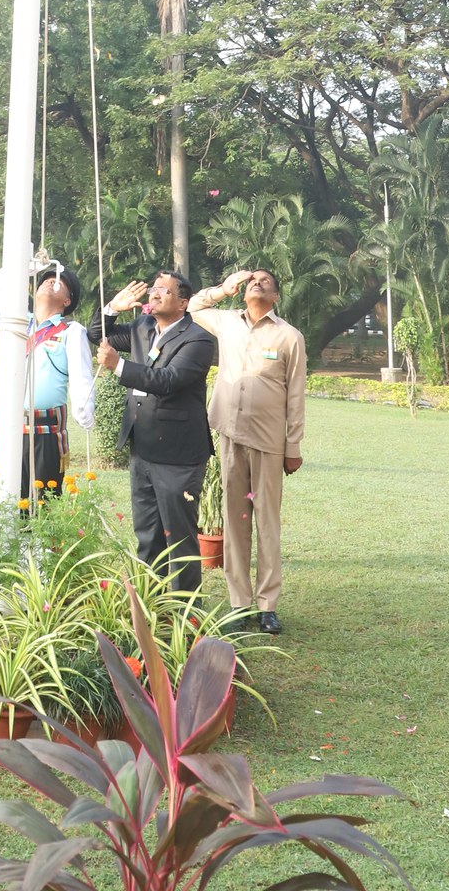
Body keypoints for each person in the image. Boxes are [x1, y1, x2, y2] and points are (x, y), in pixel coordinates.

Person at [188, 266, 306, 634]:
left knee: (267, 522)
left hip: (269, 441)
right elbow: (193, 306)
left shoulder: (289, 337)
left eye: (265, 281)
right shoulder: (227, 322)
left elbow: (296, 394)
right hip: (230, 435)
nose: (257, 282)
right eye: (253, 280)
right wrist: (223, 289)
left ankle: (267, 605)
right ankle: (239, 603)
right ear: (243, 291)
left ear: (276, 296)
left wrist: (293, 445)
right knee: (235, 520)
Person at [92, 270, 216, 596]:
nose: (155, 293)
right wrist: (112, 309)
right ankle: (151, 602)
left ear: (183, 302)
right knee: (147, 534)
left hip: (178, 455)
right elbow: (97, 334)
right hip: (143, 449)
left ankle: (185, 609)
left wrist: (118, 366)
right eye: (154, 289)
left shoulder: (198, 340)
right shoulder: (143, 327)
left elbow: (169, 381)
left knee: (180, 538)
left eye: (165, 290)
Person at [0, 261, 95, 505]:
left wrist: (84, 409)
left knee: (43, 503)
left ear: (67, 300)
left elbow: (81, 375)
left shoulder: (71, 331)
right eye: (46, 279)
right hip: (10, 424)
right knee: (8, 500)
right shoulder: (16, 321)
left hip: (45, 429)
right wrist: (23, 267)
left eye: (59, 282)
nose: (51, 282)